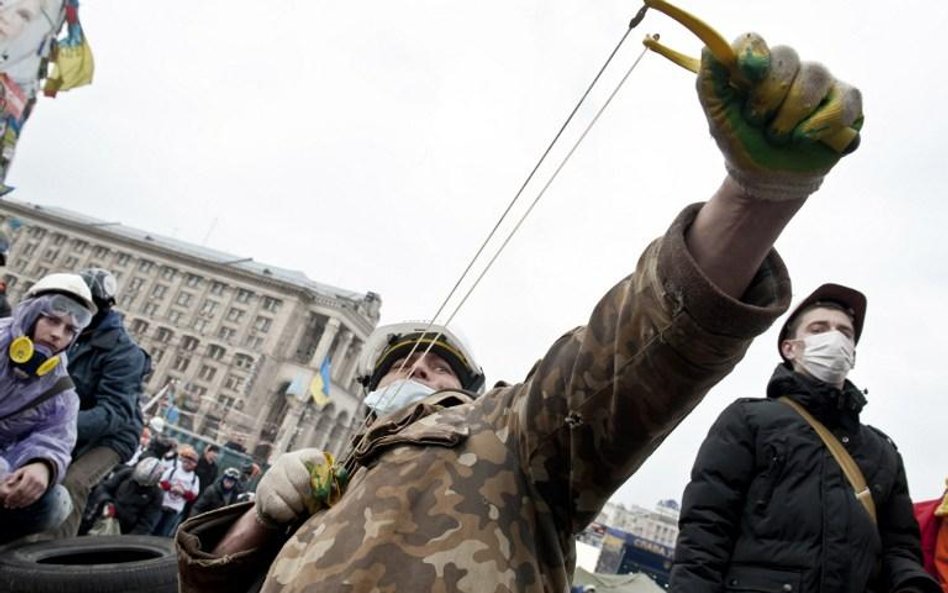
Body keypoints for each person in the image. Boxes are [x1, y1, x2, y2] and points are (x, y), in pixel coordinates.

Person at [176, 32, 864, 592]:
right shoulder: (329, 473)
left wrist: (756, 194)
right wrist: (260, 521)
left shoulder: (510, 432)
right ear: (371, 389)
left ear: (468, 389)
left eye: (439, 363)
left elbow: (629, 357)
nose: (419, 366)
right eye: (401, 363)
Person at [669, 284, 939, 593]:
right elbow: (705, 531)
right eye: (819, 328)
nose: (835, 338)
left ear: (852, 355)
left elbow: (900, 551)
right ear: (790, 348)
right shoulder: (748, 420)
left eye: (845, 333)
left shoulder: (883, 453)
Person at [42, 267, 151, 539]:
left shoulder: (125, 353)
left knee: (71, 481)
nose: (71, 313)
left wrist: (55, 424)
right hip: (70, 419)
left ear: (99, 308)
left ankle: (52, 559)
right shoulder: (65, 333)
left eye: (81, 306)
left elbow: (114, 412)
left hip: (113, 435)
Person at [0, 272, 96, 544]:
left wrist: (40, 465)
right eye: (52, 320)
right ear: (31, 314)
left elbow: (56, 438)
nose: (57, 335)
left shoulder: (62, 391)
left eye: (69, 330)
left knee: (56, 502)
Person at [79, 456, 165, 536]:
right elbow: (104, 488)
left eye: (143, 483)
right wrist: (107, 502)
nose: (139, 485)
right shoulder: (126, 474)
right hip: (101, 517)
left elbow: (147, 523)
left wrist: (127, 540)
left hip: (123, 531)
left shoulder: (156, 495)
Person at [153, 444, 200, 537]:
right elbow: (161, 482)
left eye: (191, 461)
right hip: (163, 504)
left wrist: (183, 493)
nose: (188, 462)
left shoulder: (194, 478)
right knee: (153, 527)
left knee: (164, 533)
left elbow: (193, 495)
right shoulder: (173, 470)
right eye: (186, 460)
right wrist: (171, 487)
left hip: (175, 509)